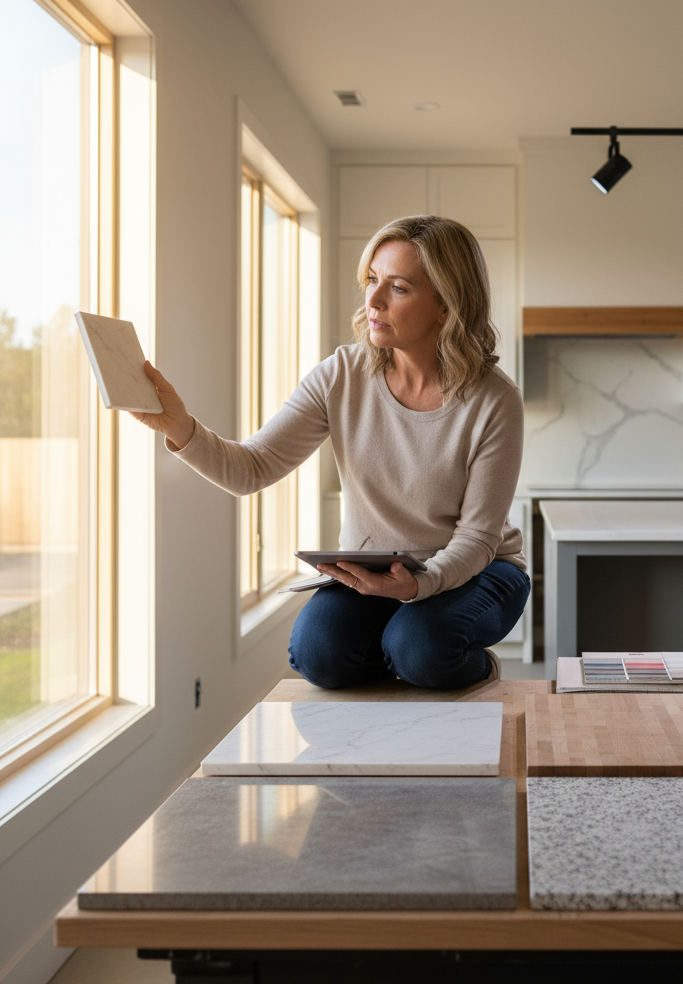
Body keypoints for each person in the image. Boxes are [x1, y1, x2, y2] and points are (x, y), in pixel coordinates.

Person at [132, 215, 530, 689]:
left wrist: (419, 587)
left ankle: (457, 662)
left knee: (420, 648)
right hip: (379, 572)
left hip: (478, 570)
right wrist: (181, 428)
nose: (374, 300)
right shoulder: (341, 374)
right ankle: (407, 656)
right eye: (372, 280)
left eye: (398, 287)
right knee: (318, 656)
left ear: (446, 306)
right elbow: (251, 470)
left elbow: (478, 539)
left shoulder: (494, 400)